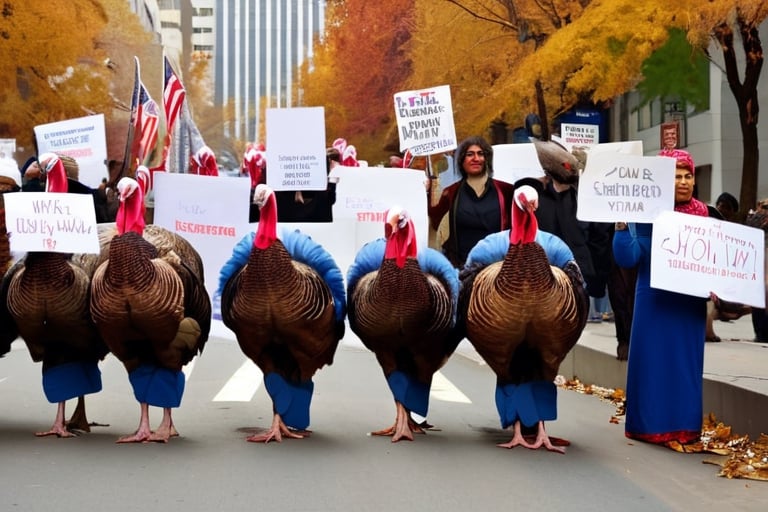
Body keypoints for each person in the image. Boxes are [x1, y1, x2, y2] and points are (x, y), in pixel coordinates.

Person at [613, 148, 713, 450]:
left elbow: (712, 258)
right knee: (654, 363)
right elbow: (629, 257)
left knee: (685, 365)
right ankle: (650, 427)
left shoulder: (704, 213)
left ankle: (686, 427)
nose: (683, 182)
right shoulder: (646, 212)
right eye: (675, 177)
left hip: (689, 302)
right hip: (654, 299)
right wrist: (620, 226)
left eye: (688, 176)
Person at [426, 136, 515, 268]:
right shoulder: (451, 192)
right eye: (470, 154)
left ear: (487, 159)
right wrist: (427, 192)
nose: (476, 158)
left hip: (498, 269)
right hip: (462, 268)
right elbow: (434, 219)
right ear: (462, 160)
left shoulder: (506, 190)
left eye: (480, 154)